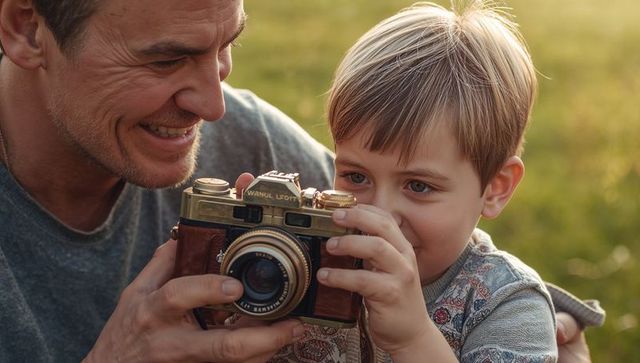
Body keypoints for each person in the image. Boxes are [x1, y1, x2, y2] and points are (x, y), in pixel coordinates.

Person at [0, 0, 602, 362]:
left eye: (226, 47)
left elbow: (462, 248)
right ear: (27, 27)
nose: (215, 107)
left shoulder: (252, 144)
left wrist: (545, 318)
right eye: (164, 59)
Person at [267, 2, 605, 362]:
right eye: (356, 176)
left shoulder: (508, 305)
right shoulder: (304, 263)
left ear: (495, 187)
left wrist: (413, 339)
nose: (380, 215)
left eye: (418, 186)